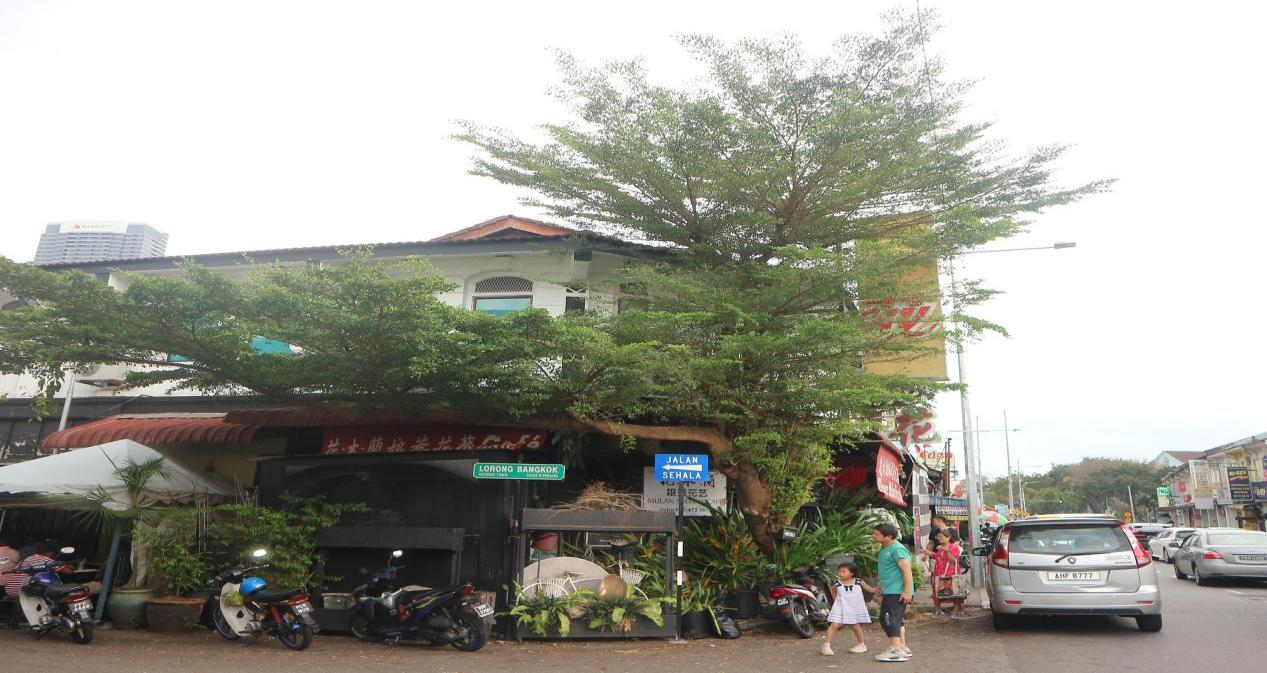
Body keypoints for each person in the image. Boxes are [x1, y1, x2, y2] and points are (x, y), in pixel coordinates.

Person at [872, 523, 914, 663]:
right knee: (895, 620)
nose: (874, 536)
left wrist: (907, 592)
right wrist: (881, 585)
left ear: (888, 536)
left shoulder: (897, 549)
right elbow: (888, 569)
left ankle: (895, 650)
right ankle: (902, 647)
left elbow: (907, 571)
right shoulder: (885, 549)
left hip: (896, 591)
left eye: (877, 534)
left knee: (888, 619)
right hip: (889, 589)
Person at [821, 561, 878, 656]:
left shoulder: (858, 581)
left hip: (853, 608)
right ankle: (826, 645)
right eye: (839, 571)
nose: (840, 573)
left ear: (851, 573)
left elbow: (870, 589)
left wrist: (878, 589)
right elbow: (833, 591)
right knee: (834, 625)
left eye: (843, 571)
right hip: (840, 607)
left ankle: (861, 644)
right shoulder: (837, 583)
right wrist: (834, 600)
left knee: (855, 626)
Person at [929, 528, 965, 620]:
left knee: (955, 592)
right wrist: (929, 553)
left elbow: (953, 560)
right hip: (939, 572)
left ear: (948, 537)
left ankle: (955, 611)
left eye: (940, 537)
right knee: (936, 591)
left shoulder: (954, 547)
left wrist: (947, 551)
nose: (938, 539)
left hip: (951, 572)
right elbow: (938, 557)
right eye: (938, 537)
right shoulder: (940, 547)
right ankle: (938, 611)